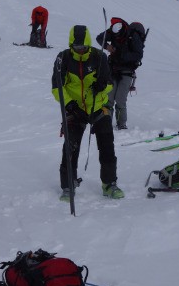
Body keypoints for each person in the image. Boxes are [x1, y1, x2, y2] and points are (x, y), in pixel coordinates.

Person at [51, 25, 124, 200]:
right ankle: (68, 186)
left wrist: (102, 86)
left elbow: (109, 83)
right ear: (71, 45)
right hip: (75, 110)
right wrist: (70, 106)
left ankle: (109, 184)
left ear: (89, 44)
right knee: (70, 147)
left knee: (107, 144)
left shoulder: (100, 57)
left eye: (83, 47)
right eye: (77, 47)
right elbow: (57, 87)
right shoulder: (63, 59)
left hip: (98, 108)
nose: (81, 50)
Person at [96, 17, 146, 130]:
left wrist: (121, 55)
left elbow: (138, 54)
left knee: (120, 99)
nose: (116, 37)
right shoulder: (113, 31)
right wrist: (107, 46)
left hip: (127, 71)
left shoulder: (133, 36)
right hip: (113, 69)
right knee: (109, 98)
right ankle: (106, 122)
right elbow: (99, 38)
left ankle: (121, 124)